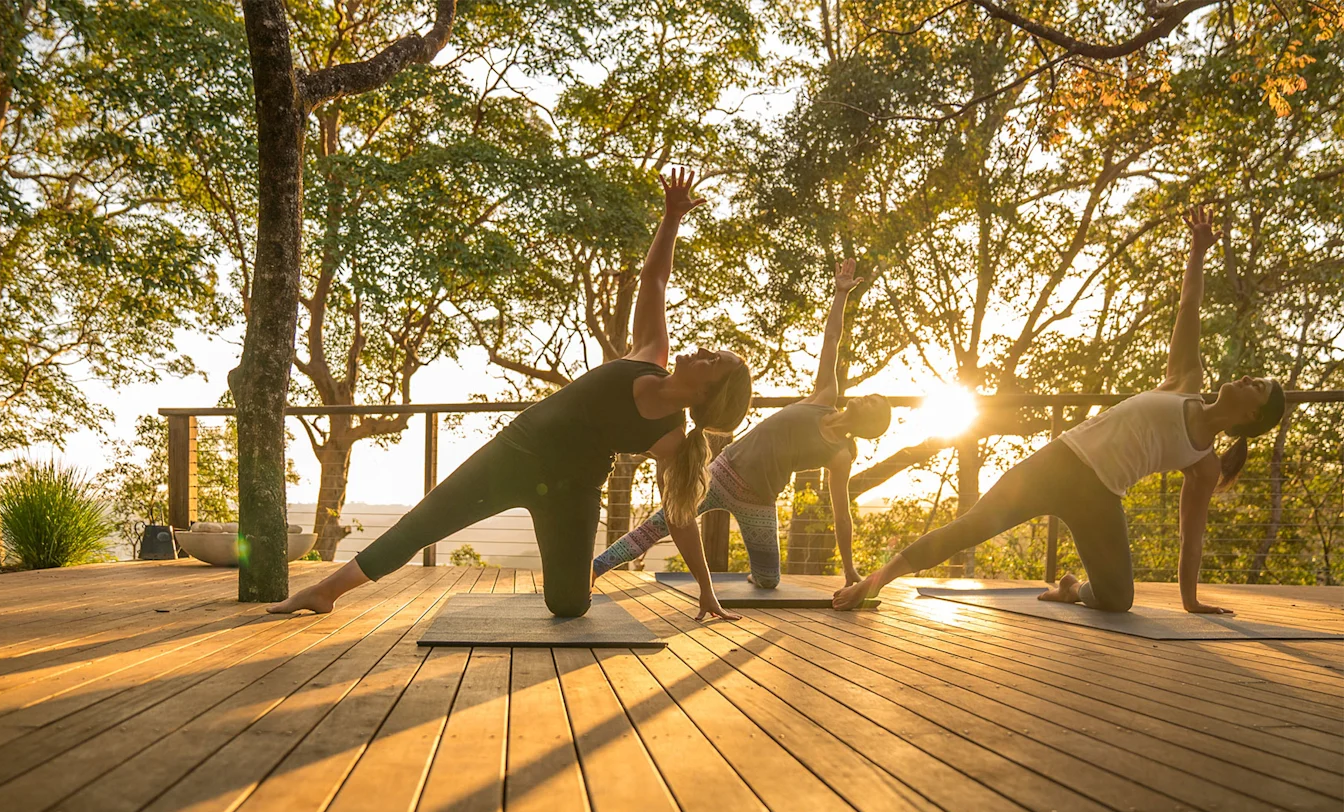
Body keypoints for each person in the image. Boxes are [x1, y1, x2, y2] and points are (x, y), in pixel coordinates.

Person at [270, 168, 753, 621]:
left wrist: (706, 590)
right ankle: (324, 592)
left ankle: (574, 578)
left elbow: (683, 517)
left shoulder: (670, 439)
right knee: (423, 524)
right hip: (514, 453)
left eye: (716, 361)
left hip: (572, 492)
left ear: (707, 393)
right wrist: (670, 219)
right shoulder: (651, 351)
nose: (706, 349)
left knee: (568, 606)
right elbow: (655, 280)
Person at [832, 206, 1285, 614]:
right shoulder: (1186, 382)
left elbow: (1192, 537)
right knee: (971, 527)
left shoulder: (1204, 466)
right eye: (1256, 376)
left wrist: (1192, 602)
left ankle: (1071, 589)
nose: (1248, 378)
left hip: (1100, 498)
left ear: (1251, 418)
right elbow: (1190, 306)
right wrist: (1197, 251)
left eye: (1258, 388)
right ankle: (877, 581)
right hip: (1059, 462)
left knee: (1117, 600)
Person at [593, 256, 891, 595]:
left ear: (870, 424)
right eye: (871, 394)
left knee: (768, 581)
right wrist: (841, 295)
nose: (866, 397)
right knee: (660, 523)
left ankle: (756, 574)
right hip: (721, 472)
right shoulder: (824, 396)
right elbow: (831, 340)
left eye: (873, 403)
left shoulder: (840, 456)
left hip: (758, 501)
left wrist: (849, 568)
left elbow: (842, 516)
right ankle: (596, 567)